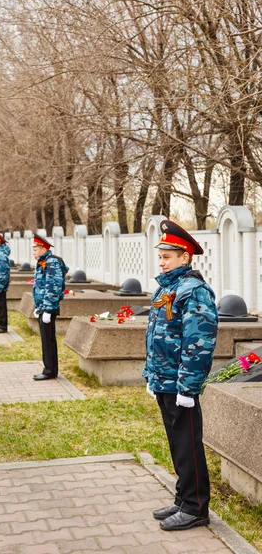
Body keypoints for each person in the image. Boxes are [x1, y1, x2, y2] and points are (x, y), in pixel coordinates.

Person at [143, 219, 218, 532]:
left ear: (185, 257)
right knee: (177, 443)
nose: (162, 261)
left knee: (188, 444)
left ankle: (196, 507)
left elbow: (198, 343)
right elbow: (157, 332)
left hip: (180, 384)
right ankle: (183, 497)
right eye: (160, 256)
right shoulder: (167, 289)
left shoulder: (194, 291)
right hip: (164, 380)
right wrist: (152, 374)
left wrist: (188, 388)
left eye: (168, 256)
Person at [32, 234, 69, 380]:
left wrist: (47, 309)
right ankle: (49, 368)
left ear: (42, 248)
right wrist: (39, 306)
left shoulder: (51, 262)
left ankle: (50, 371)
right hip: (44, 306)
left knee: (48, 340)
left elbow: (53, 287)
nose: (33, 253)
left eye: (35, 250)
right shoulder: (44, 261)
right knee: (46, 339)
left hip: (49, 307)